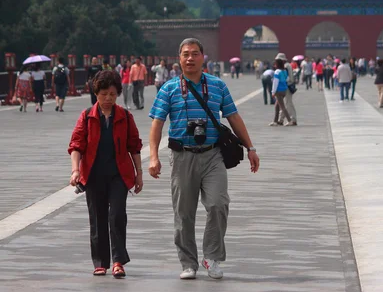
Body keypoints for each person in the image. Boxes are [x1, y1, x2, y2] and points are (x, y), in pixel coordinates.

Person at [148, 38, 260, 281]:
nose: (190, 58)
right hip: (182, 157)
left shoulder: (218, 86)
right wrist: (153, 157)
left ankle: (212, 257)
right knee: (184, 213)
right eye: (186, 54)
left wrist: (250, 147)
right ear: (179, 58)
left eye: (195, 53)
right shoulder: (169, 88)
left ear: (203, 57)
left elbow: (233, 117)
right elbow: (156, 124)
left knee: (218, 205)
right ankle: (188, 262)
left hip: (212, 156)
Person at [68, 70, 143, 278]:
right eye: (103, 94)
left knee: (117, 215)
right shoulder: (87, 116)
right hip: (93, 175)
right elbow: (76, 145)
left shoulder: (125, 117)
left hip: (119, 174)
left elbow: (134, 147)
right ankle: (100, 262)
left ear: (117, 93)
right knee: (98, 217)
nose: (108, 99)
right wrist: (75, 171)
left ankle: (118, 261)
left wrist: (139, 174)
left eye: (112, 94)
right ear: (96, 94)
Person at [275, 53, 297, 125]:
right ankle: (281, 119)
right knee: (284, 104)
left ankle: (293, 119)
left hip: (287, 86)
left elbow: (287, 78)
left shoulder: (286, 66)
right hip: (286, 85)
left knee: (288, 103)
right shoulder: (287, 65)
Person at [270, 58, 294, 126]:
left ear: (277, 64)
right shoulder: (284, 71)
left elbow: (275, 83)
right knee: (276, 106)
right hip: (284, 90)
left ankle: (290, 121)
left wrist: (273, 92)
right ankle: (275, 121)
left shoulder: (277, 71)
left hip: (278, 91)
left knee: (282, 106)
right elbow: (287, 79)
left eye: (275, 64)